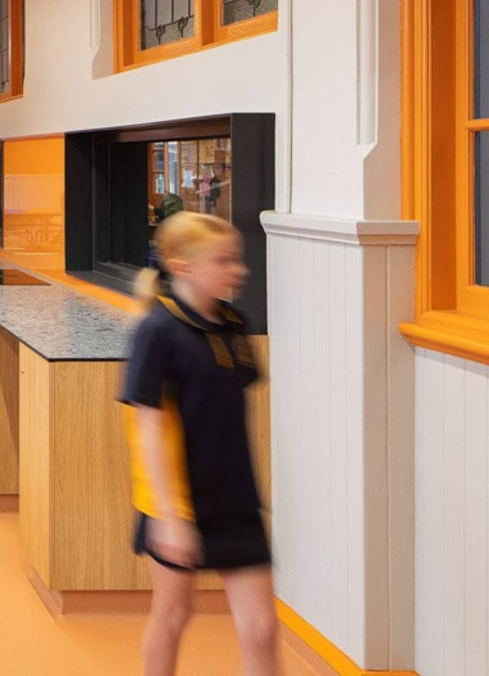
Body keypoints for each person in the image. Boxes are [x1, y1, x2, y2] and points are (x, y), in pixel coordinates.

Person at [120, 212, 277, 676]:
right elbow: (148, 427)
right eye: (223, 261)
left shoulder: (234, 323)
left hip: (234, 498)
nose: (238, 270)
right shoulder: (157, 330)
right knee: (173, 614)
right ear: (182, 266)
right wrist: (170, 516)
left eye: (237, 259)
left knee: (262, 628)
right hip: (177, 501)